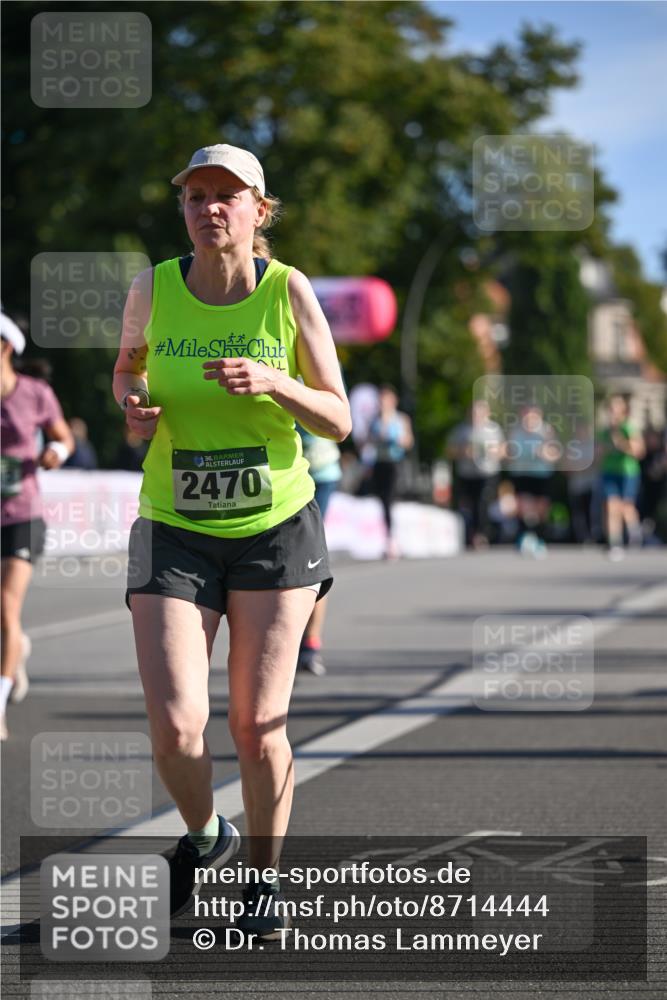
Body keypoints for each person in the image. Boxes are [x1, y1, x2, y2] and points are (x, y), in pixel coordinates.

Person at [113, 143, 351, 936]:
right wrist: (135, 404)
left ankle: (264, 880)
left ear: (258, 210)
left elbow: (340, 418)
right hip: (172, 523)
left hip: (274, 526)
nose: (208, 208)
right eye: (194, 196)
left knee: (256, 725)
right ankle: (204, 832)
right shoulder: (152, 287)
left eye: (226, 196)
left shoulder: (288, 292)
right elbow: (126, 370)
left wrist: (276, 381)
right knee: (178, 724)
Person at [1, 313, 74, 740]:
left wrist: (57, 453)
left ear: (5, 347)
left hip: (21, 515)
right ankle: (15, 653)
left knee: (6, 608)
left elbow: (63, 436)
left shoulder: (34, 393)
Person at [296, 425, 342, 675]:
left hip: (319, 471)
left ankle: (311, 643)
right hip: (279, 470)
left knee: (311, 557)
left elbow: (338, 421)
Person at [446, 400, 505, 549]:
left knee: (483, 503)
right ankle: (469, 534)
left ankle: (482, 535)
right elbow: (450, 451)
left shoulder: (494, 429)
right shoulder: (461, 430)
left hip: (487, 472)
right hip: (467, 473)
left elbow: (503, 451)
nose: (476, 416)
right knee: (468, 504)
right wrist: (463, 452)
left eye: (479, 412)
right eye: (473, 412)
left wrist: (489, 452)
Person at [366, 385, 413, 558]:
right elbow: (367, 442)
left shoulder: (401, 419)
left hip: (395, 463)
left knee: (391, 498)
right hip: (380, 463)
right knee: (382, 499)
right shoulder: (375, 420)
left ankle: (393, 538)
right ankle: (387, 536)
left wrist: (398, 439)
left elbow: (408, 441)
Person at [506, 404, 559, 556]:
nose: (529, 419)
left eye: (533, 415)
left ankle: (540, 538)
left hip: (541, 474)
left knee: (541, 508)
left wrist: (545, 454)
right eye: (526, 415)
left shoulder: (546, 431)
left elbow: (554, 453)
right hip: (521, 473)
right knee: (523, 507)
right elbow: (509, 452)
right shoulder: (515, 432)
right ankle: (524, 537)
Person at [598, 395, 645, 560]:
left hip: (628, 471)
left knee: (626, 507)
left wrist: (620, 441)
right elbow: (599, 453)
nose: (613, 412)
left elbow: (638, 451)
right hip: (609, 471)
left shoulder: (629, 427)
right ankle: (614, 543)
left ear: (623, 410)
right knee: (611, 506)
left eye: (616, 408)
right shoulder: (604, 431)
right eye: (610, 408)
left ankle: (634, 531)